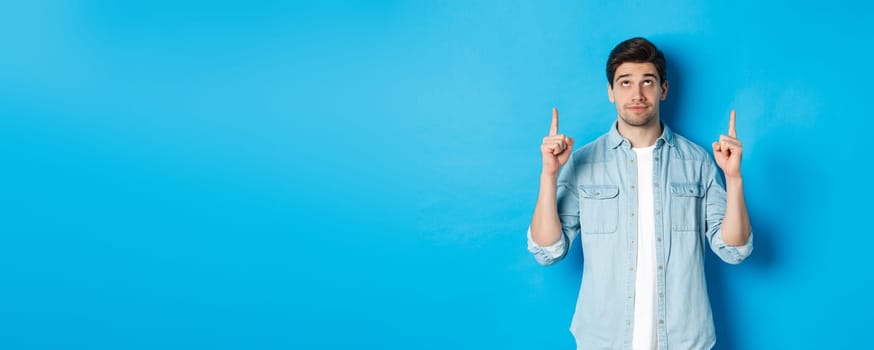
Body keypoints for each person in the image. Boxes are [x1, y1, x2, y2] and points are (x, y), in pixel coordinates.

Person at [527, 37, 753, 350]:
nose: (636, 94)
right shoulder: (583, 162)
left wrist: (734, 178)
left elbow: (733, 249)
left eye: (647, 81)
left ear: (663, 89)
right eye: (625, 82)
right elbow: (547, 250)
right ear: (611, 92)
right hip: (604, 340)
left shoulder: (698, 161)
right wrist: (549, 175)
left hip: (684, 340)